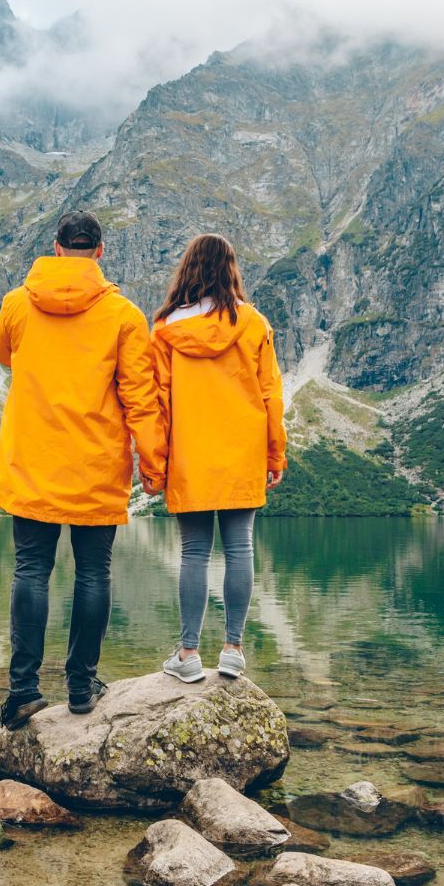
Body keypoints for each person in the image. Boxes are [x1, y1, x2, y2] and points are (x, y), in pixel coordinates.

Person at [0, 210, 167, 729]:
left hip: (33, 459)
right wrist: (153, 463)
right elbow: (140, 397)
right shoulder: (124, 315)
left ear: (56, 246)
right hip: (96, 460)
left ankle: (23, 691)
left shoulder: (18, 303)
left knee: (31, 570)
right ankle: (82, 685)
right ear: (101, 250)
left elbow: (3, 352)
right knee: (93, 572)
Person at [151, 233, 286, 682]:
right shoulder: (253, 323)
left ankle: (188, 655)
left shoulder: (167, 328)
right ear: (231, 270)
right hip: (241, 449)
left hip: (190, 452)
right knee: (240, 547)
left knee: (193, 551)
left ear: (187, 270)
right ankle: (232, 649)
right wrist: (275, 452)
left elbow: (159, 401)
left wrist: (155, 461)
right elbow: (270, 394)